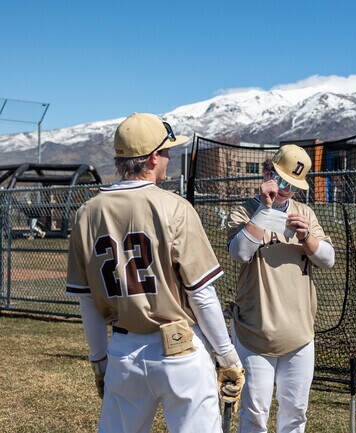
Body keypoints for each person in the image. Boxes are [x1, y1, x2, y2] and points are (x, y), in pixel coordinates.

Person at [65, 113, 244, 433]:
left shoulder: (87, 213)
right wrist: (227, 356)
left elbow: (88, 302)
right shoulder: (174, 207)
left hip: (123, 351)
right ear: (151, 158)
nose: (168, 158)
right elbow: (201, 294)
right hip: (181, 350)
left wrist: (100, 360)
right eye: (166, 152)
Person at [226, 144, 335, 433]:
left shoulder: (305, 213)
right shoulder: (245, 210)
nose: (287, 191)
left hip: (299, 332)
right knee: (255, 414)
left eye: (294, 186)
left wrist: (307, 237)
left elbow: (328, 259)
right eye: (282, 182)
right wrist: (265, 208)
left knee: (296, 413)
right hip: (255, 332)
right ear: (267, 174)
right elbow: (240, 252)